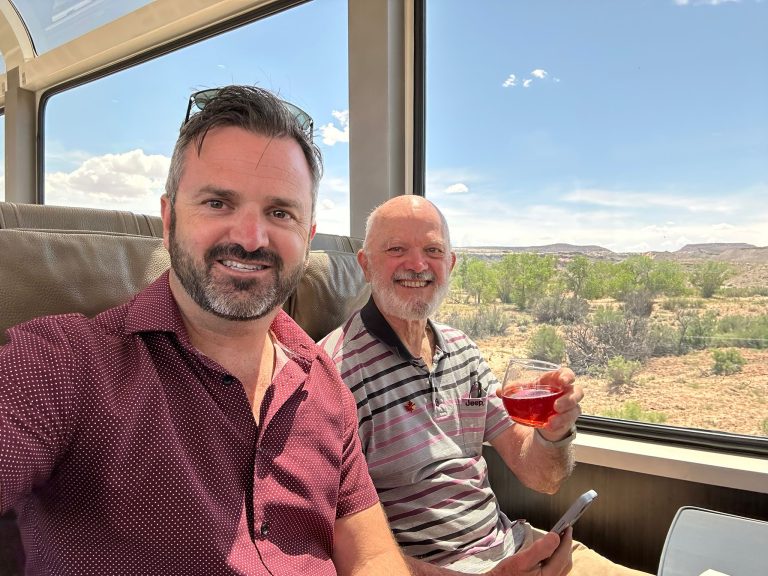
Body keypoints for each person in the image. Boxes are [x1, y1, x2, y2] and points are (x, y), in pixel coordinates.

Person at [0, 86, 410, 576]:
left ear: (307, 234)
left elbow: (371, 557)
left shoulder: (325, 384)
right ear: (169, 218)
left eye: (280, 212)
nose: (249, 237)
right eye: (218, 202)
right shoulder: (63, 365)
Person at [320, 195, 651, 576]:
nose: (417, 264)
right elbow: (335, 546)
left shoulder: (462, 351)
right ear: (365, 264)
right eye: (397, 249)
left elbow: (542, 477)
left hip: (515, 548)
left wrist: (554, 433)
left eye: (433, 250)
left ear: (451, 264)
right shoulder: (332, 372)